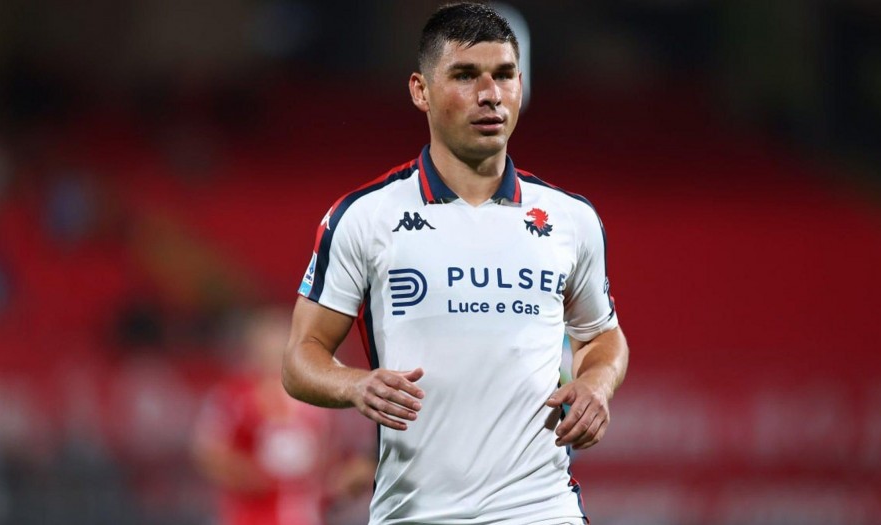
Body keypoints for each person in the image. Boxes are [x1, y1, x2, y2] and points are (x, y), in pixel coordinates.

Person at [282, 3, 629, 524]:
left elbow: (602, 336)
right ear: (420, 90)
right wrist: (354, 385)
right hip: (415, 512)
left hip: (541, 509)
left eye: (504, 75)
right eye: (466, 76)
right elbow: (299, 358)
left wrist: (596, 384)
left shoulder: (570, 219)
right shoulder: (364, 217)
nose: (490, 94)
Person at [193, 308, 375, 525]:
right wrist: (259, 476)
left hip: (305, 515)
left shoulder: (314, 397)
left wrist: (326, 479)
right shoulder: (231, 397)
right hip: (250, 516)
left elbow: (329, 453)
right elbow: (211, 453)